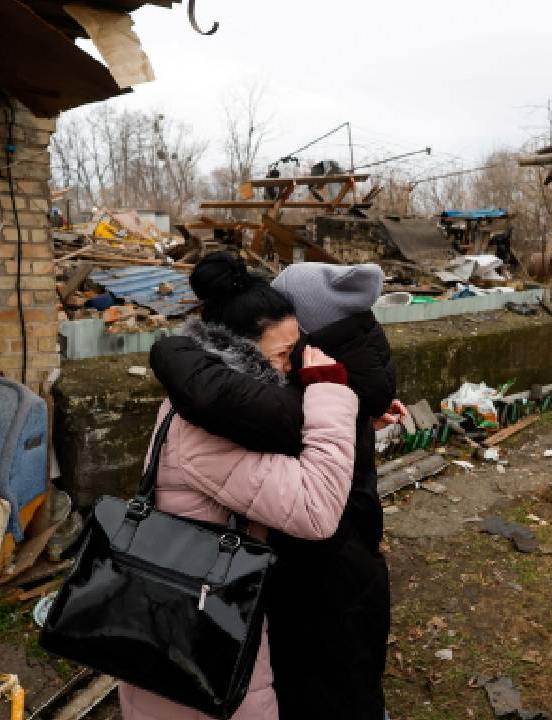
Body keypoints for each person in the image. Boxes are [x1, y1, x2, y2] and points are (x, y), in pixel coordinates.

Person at [151, 261, 398, 720]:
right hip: (204, 609)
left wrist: (355, 418)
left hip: (220, 589)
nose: (292, 369)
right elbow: (316, 510)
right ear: (241, 351)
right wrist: (329, 395)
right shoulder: (216, 426)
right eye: (284, 355)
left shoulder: (221, 399)